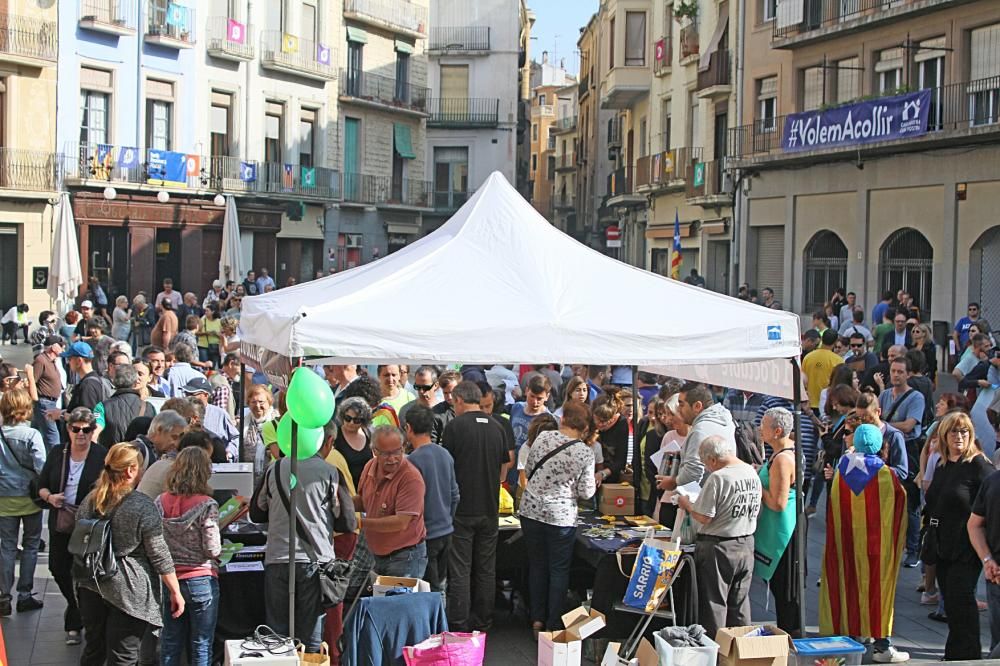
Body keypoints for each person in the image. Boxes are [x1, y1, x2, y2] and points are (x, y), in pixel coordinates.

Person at [75, 442, 185, 665]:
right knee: (123, 656)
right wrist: (175, 592)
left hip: (90, 582)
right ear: (131, 470)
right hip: (129, 588)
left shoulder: (90, 500)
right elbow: (159, 553)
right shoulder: (142, 505)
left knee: (94, 650)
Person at [252, 428, 357, 652]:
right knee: (311, 635)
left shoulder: (274, 468)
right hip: (316, 562)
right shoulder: (330, 472)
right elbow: (348, 522)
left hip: (278, 558)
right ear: (326, 441)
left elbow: (256, 512)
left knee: (276, 634)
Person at [819, 423, 909, 663]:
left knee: (847, 584)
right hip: (876, 546)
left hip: (846, 543)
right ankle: (882, 646)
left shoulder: (842, 469)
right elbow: (899, 508)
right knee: (879, 589)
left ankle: (849, 639)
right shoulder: (886, 474)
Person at [519, 401, 596, 633]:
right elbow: (586, 492)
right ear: (584, 427)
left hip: (531, 510)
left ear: (563, 419)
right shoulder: (585, 452)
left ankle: (536, 619)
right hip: (560, 517)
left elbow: (530, 469)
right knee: (559, 570)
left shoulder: (543, 438)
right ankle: (553, 624)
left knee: (537, 566)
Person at [441, 381, 511, 632]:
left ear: (459, 400)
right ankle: (483, 620)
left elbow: (447, 469)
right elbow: (504, 470)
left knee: (460, 568)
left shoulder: (454, 428)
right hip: (490, 509)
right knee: (485, 568)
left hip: (461, 509)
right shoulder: (497, 427)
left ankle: (459, 621)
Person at [676, 435, 762, 638]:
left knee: (714, 604)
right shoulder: (750, 471)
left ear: (713, 459)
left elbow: (704, 516)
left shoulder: (719, 478)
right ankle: (742, 651)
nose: (706, 468)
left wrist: (687, 504)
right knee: (740, 604)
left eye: (706, 463)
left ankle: (716, 654)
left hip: (719, 546)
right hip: (746, 542)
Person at [923, 411, 992, 660]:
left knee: (962, 601)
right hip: (942, 545)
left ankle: (968, 656)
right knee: (951, 604)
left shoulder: (979, 465)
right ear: (944, 435)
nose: (959, 436)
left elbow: (993, 500)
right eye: (954, 431)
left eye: (964, 431)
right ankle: (955, 653)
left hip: (967, 547)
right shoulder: (943, 463)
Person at [37, 407, 107, 645]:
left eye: (86, 430)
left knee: (86, 573)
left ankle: (77, 620)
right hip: (61, 519)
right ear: (68, 429)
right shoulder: (58, 453)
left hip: (89, 523)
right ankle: (76, 607)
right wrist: (50, 498)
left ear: (92, 431)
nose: (81, 434)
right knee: (58, 568)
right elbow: (41, 484)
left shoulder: (100, 454)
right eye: (76, 429)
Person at [157, 447, 222, 666]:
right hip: (201, 578)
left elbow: (154, 541)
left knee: (170, 642)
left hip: (170, 579)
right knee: (201, 643)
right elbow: (212, 549)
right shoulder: (207, 504)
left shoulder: (160, 501)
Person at [355, 426, 427, 577]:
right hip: (376, 554)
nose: (392, 459)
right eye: (386, 454)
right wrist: (340, 504)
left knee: (399, 600)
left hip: (405, 556)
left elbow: (401, 522)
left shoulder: (410, 477)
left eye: (397, 451)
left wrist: (360, 523)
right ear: (375, 451)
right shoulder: (369, 466)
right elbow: (363, 501)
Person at [0, 389, 46, 616]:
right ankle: (25, 594)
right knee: (30, 545)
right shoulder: (32, 435)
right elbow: (41, 467)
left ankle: (3, 595)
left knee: (6, 547)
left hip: (3, 497)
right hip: (30, 497)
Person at [755, 408, 800, 636]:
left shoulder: (783, 458)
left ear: (777, 431)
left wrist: (756, 484)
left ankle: (790, 638)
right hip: (778, 528)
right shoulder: (779, 453)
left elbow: (777, 503)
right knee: (782, 591)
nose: (759, 430)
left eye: (763, 426)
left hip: (783, 533)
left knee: (785, 592)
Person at [405, 404, 458, 593]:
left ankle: (436, 622)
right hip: (446, 531)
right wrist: (448, 519)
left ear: (408, 428)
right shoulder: (445, 454)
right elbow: (455, 495)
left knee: (428, 588)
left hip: (425, 535)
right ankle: (441, 621)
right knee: (441, 585)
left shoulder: (411, 461)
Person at [878, 356, 926, 567]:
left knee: (911, 502)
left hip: (908, 449)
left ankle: (913, 550)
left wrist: (885, 425)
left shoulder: (916, 397)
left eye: (900, 371)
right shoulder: (885, 394)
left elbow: (908, 426)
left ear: (908, 374)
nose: (896, 375)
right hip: (886, 449)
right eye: (893, 371)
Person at [656, 383, 735, 494]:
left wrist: (673, 482)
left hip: (705, 500)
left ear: (697, 406)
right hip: (720, 496)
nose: (678, 409)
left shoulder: (700, 429)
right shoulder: (725, 422)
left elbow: (693, 472)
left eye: (681, 404)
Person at [969, 462, 1000, 655]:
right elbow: (975, 524)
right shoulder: (993, 481)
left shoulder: (993, 480)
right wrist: (987, 559)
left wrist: (987, 559)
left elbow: (974, 525)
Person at [96, 364, 155, 449]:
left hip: (111, 457)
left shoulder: (102, 406)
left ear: (113, 381)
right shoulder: (149, 407)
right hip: (139, 459)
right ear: (135, 382)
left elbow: (94, 433)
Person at [508, 374, 552, 487]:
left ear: (547, 396)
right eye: (532, 396)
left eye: (539, 398)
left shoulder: (548, 419)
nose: (535, 402)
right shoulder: (517, 407)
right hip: (512, 464)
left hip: (530, 469)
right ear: (527, 390)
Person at [180, 377, 238, 461]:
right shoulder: (182, 413)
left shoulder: (220, 414)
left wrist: (229, 452)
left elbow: (235, 437)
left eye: (192, 394)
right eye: (186, 394)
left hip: (216, 463)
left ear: (206, 395)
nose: (188, 397)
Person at [135, 410, 188, 498]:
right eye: (174, 437)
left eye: (179, 439)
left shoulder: (158, 453)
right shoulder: (138, 451)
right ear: (159, 429)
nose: (176, 443)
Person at [31, 335, 65, 450]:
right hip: (44, 403)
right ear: (54, 347)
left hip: (51, 403)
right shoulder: (41, 360)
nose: (63, 348)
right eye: (61, 346)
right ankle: (55, 463)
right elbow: (32, 381)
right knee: (53, 436)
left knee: (36, 432)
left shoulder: (52, 361)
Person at [592, 387, 631, 485]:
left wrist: (603, 473)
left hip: (611, 476)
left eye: (605, 421)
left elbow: (621, 460)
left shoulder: (621, 423)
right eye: (598, 420)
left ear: (613, 417)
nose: (600, 424)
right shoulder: (590, 420)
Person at [334, 396, 373, 489]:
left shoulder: (369, 434)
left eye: (357, 420)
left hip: (367, 488)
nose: (351, 422)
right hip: (344, 489)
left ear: (363, 421)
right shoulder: (335, 436)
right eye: (347, 418)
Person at [242, 384, 279, 478]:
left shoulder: (277, 421)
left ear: (269, 402)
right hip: (248, 477)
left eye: (261, 402)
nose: (257, 406)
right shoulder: (243, 423)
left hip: (272, 475)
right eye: (253, 402)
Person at [803, 329, 844, 410]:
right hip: (827, 404)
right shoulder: (838, 360)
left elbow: (802, 379)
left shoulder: (808, 357)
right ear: (835, 342)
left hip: (808, 403)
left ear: (822, 339)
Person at [432, 370, 461, 443]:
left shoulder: (470, 409)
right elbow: (433, 442)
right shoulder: (435, 413)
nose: (449, 397)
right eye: (445, 393)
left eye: (452, 392)